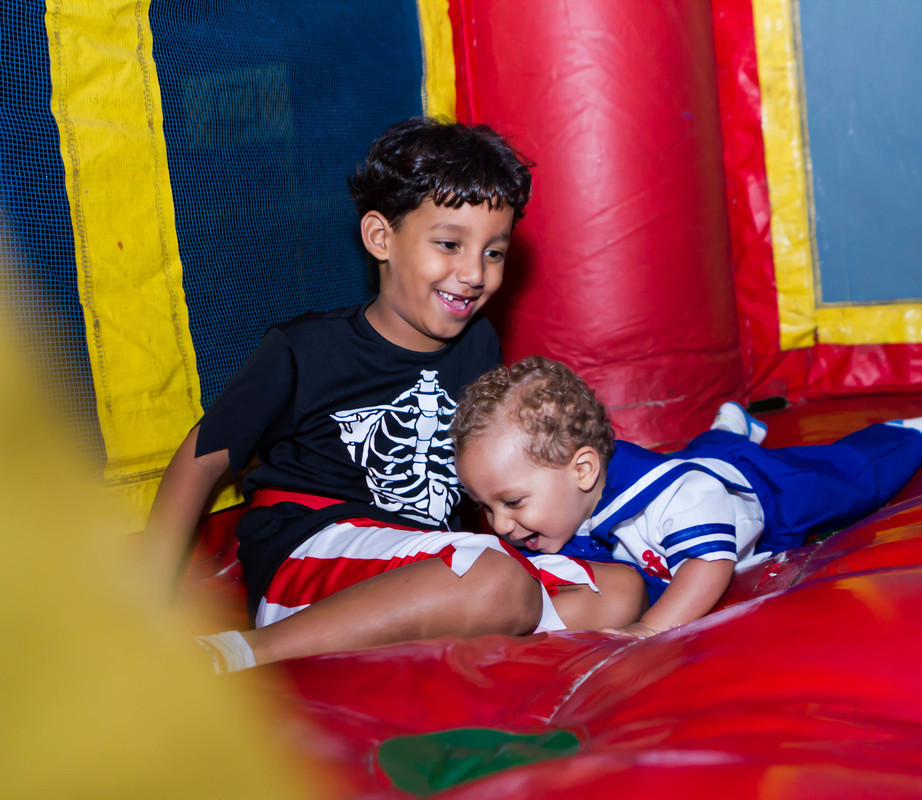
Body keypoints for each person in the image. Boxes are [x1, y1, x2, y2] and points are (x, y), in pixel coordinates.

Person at [146, 119, 643, 672]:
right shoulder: (306, 348)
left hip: (433, 565)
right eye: (449, 244)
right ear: (382, 238)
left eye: (494, 253)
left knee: (620, 591)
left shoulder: (479, 345)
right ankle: (236, 655)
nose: (474, 274)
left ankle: (436, 629)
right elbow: (201, 458)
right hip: (318, 559)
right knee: (496, 583)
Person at [451, 355, 922, 638]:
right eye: (486, 506)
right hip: (693, 462)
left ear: (583, 470)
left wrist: (651, 628)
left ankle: (906, 436)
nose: (498, 524)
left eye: (512, 502)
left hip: (763, 493)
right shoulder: (562, 502)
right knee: (703, 449)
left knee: (847, 480)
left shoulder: (680, 499)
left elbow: (707, 566)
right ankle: (730, 427)